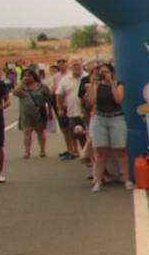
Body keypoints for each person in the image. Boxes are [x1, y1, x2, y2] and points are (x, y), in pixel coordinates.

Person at [84, 63, 131, 191]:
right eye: (101, 72)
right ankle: (98, 180)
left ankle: (126, 179)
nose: (104, 74)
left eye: (106, 71)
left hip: (116, 118)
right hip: (100, 119)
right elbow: (92, 102)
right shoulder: (94, 85)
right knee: (100, 152)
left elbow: (118, 99)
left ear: (112, 73)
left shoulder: (118, 84)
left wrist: (111, 84)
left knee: (120, 150)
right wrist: (92, 85)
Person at [14, 68, 51, 160]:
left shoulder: (42, 87)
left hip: (39, 113)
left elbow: (49, 99)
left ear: (34, 77)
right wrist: (22, 83)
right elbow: (15, 93)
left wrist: (50, 111)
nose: (27, 78)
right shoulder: (22, 87)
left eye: (29, 76)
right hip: (26, 114)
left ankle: (42, 150)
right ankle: (27, 151)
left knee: (40, 132)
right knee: (27, 132)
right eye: (25, 76)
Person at [55, 59, 85, 160]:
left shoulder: (87, 77)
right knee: (78, 134)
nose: (76, 67)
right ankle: (85, 154)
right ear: (71, 67)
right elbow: (59, 95)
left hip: (87, 112)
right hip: (73, 112)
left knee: (89, 135)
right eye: (74, 65)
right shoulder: (65, 79)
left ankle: (89, 155)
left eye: (78, 64)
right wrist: (60, 109)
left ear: (82, 65)